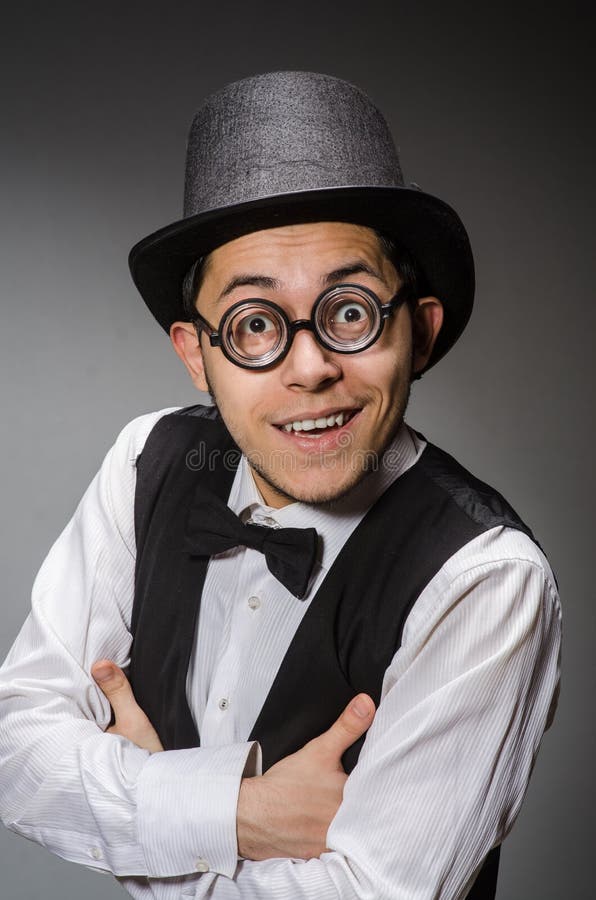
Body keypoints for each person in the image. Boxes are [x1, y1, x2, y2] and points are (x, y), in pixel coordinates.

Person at [0, 71, 561, 900]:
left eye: (351, 310)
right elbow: (16, 752)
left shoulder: (486, 579)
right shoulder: (146, 459)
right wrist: (236, 814)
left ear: (421, 333)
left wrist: (138, 821)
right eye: (255, 323)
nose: (310, 370)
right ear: (197, 354)